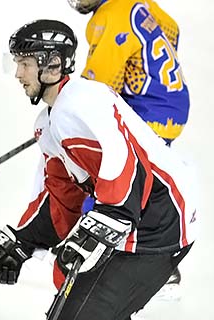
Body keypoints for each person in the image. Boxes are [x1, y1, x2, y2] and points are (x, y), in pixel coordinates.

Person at [0, 20, 214, 320]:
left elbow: (125, 167)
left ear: (51, 65)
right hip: (141, 216)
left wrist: (109, 217)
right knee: (65, 273)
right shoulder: (50, 121)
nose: (18, 74)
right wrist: (21, 239)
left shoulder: (82, 103)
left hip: (162, 221)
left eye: (25, 63)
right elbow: (60, 198)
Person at [68, 0, 190, 288]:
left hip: (148, 111)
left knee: (112, 176)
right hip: (173, 103)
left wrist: (65, 110)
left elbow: (96, 85)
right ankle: (150, 260)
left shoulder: (111, 15)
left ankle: (117, 259)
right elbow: (172, 29)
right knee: (146, 182)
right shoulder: (136, 3)